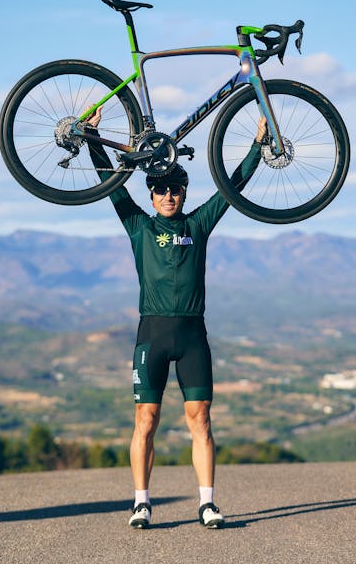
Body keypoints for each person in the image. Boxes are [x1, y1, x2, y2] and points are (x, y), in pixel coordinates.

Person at [84, 107, 267, 529]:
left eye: (175, 190)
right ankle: (141, 503)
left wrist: (258, 146)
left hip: (192, 335)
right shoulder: (138, 227)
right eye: (161, 190)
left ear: (184, 192)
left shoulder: (198, 224)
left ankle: (207, 503)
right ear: (151, 195)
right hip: (152, 332)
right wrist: (94, 140)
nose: (168, 196)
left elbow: (231, 188)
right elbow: (112, 188)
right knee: (146, 419)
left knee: (200, 417)